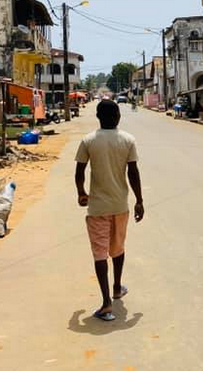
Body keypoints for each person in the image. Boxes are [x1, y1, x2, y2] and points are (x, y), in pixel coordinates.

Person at [75, 100, 144, 321]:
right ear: (118, 116)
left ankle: (106, 303)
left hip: (97, 208)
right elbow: (134, 172)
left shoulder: (88, 141)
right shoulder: (128, 140)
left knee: (99, 254)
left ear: (98, 116)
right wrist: (139, 200)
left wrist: (81, 193)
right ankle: (116, 288)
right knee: (118, 249)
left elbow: (79, 171)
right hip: (120, 206)